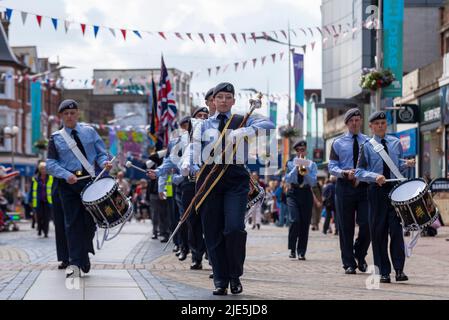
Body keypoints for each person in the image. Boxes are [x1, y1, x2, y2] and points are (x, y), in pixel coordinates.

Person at [182, 82, 275, 295]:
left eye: (228, 97)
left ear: (233, 101)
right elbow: (193, 148)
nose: (223, 101)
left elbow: (269, 124)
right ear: (213, 101)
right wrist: (190, 164)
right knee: (212, 230)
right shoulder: (202, 125)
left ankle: (235, 275)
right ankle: (220, 280)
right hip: (209, 179)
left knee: (234, 228)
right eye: (220, 97)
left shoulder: (241, 119)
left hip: (235, 178)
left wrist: (245, 131)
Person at [46, 99, 113, 279]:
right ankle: (75, 262)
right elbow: (50, 164)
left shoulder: (89, 131)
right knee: (72, 223)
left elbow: (101, 153)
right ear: (61, 116)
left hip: (90, 182)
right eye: (66, 114)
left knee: (90, 222)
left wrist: (104, 162)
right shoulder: (56, 137)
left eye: (72, 113)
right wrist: (65, 174)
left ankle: (83, 253)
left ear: (77, 114)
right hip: (68, 185)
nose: (69, 116)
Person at [355, 111, 416, 283]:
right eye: (377, 123)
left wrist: (407, 165)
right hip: (376, 191)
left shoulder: (396, 143)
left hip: (395, 190)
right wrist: (375, 177)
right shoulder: (367, 145)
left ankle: (399, 270)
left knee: (396, 231)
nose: (380, 126)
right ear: (371, 126)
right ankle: (383, 271)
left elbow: (397, 168)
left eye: (383, 123)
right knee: (379, 232)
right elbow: (359, 172)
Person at [328, 108, 371, 274]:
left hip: (364, 187)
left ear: (361, 121)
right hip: (344, 186)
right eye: (351, 120)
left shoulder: (368, 141)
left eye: (357, 120)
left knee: (367, 223)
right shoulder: (337, 143)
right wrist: (344, 173)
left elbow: (372, 163)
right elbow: (332, 167)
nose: (355, 123)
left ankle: (360, 254)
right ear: (346, 123)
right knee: (345, 227)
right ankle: (348, 262)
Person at [285, 140, 317, 261]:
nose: (301, 152)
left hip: (306, 193)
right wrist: (296, 168)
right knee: (295, 220)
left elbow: (313, 182)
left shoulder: (312, 164)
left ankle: (301, 251)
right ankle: (292, 249)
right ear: (296, 151)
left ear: (306, 151)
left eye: (303, 150)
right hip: (293, 193)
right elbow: (288, 179)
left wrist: (305, 170)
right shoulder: (289, 163)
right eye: (298, 150)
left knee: (304, 223)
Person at [31, 162, 53, 238]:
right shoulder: (35, 178)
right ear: (40, 170)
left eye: (45, 169)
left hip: (48, 201)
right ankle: (40, 229)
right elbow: (32, 190)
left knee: (46, 217)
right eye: (42, 169)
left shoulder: (50, 178)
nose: (43, 170)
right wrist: (30, 200)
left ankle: (46, 232)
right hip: (38, 201)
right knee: (40, 217)